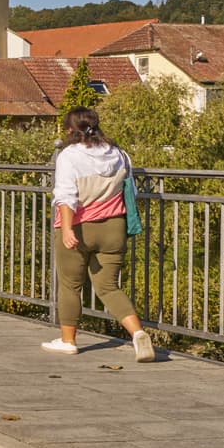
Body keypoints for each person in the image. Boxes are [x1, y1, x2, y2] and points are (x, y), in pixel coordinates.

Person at [46, 108, 155, 361]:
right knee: (108, 286)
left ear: (70, 130)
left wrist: (68, 229)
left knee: (70, 285)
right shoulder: (118, 154)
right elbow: (131, 190)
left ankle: (68, 341)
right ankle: (138, 333)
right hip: (114, 227)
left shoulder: (69, 156)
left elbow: (66, 194)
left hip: (80, 227)